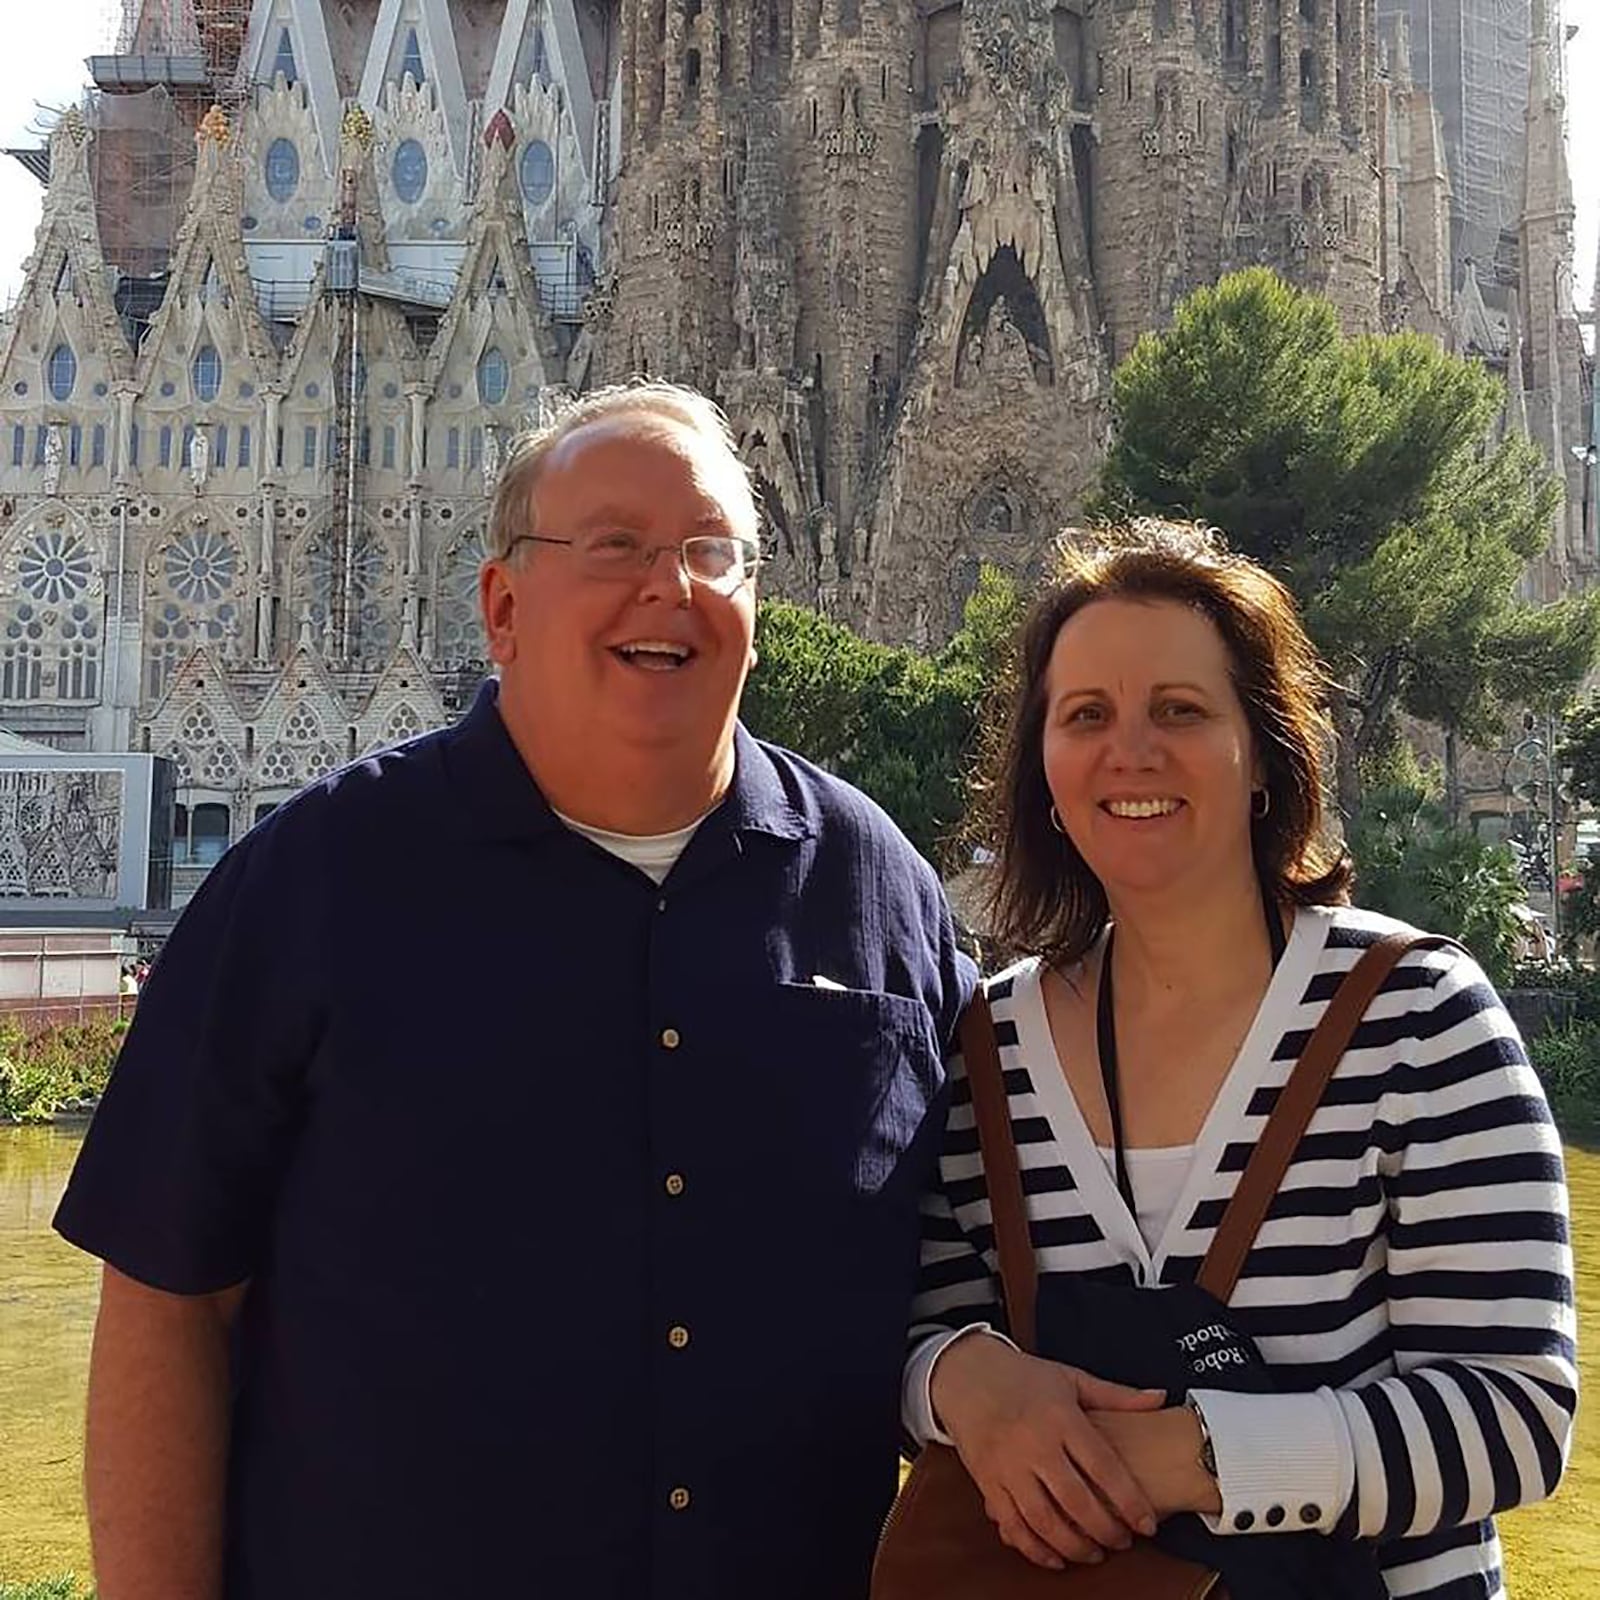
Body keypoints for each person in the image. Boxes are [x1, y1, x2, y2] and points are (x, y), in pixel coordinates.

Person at [55, 381, 977, 1600]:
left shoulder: (877, 891)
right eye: (615, 548)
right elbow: (167, 1296)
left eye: (713, 552)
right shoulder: (313, 885)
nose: (672, 586)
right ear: (502, 605)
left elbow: (985, 1236)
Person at [903, 520, 1574, 1597]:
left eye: (1180, 709)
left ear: (1261, 754)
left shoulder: (1414, 1019)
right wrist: (961, 1379)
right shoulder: (988, 1050)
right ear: (1045, 772)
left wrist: (1183, 1456)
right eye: (1086, 715)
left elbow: (1511, 1416)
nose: (1131, 750)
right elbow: (922, 1319)